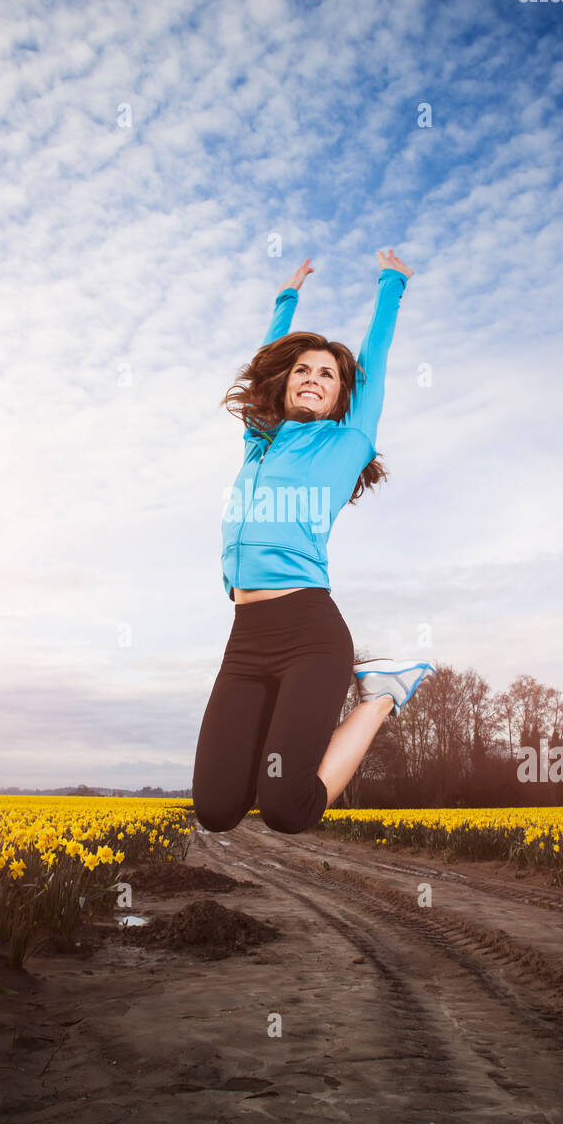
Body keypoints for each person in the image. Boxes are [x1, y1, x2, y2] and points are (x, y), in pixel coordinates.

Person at [191, 249, 435, 835]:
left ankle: (381, 695)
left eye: (326, 374)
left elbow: (373, 361)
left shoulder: (347, 442)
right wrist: (285, 301)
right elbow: (261, 370)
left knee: (286, 809)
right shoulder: (259, 442)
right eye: (302, 370)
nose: (312, 379)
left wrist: (391, 284)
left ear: (339, 396)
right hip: (245, 641)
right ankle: (278, 740)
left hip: (309, 634)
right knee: (217, 809)